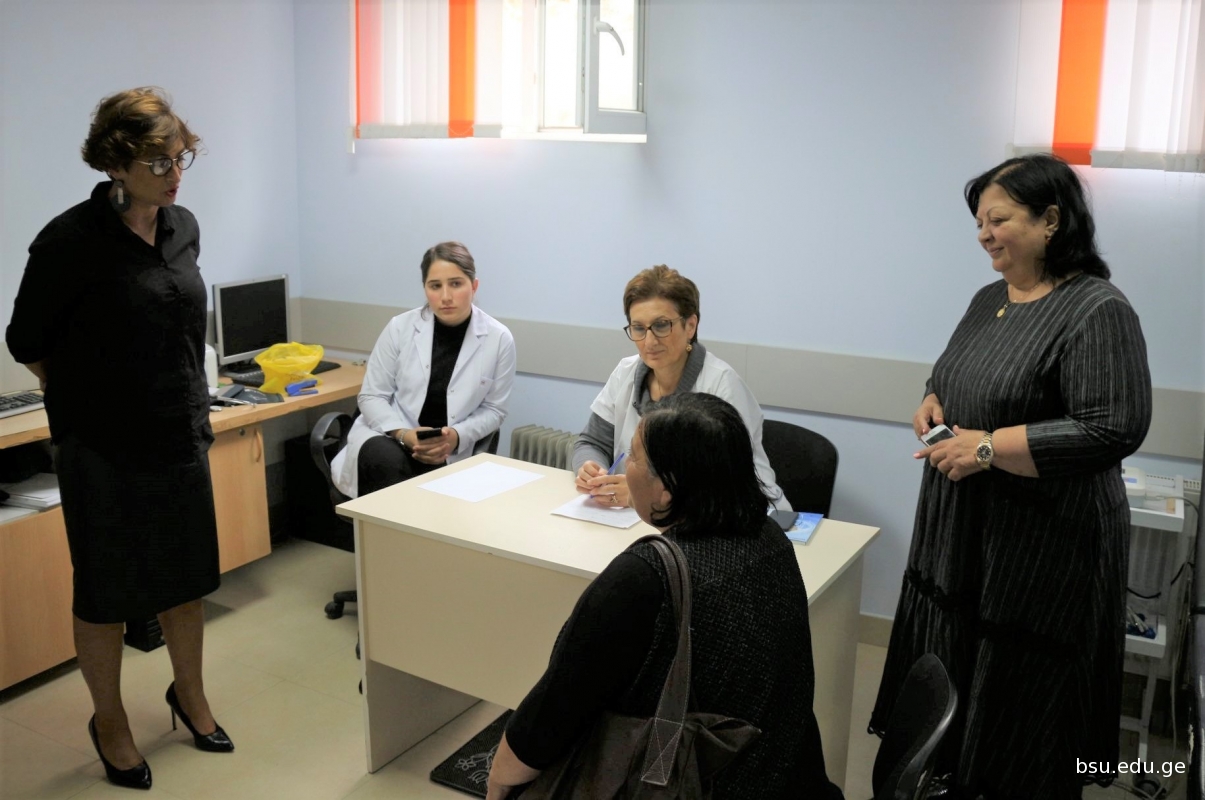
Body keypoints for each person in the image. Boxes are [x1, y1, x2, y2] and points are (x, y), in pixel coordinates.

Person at [870, 154, 1153, 798]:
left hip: (1040, 548)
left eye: (997, 220)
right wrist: (931, 400)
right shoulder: (988, 300)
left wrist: (987, 448)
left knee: (1022, 722)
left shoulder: (1097, 310)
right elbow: (958, 373)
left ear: (1050, 220)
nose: (983, 235)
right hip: (961, 534)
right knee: (954, 687)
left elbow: (1111, 428)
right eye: (978, 223)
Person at [5, 88, 234, 790]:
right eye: (159, 163)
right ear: (115, 164)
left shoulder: (182, 226)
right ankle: (109, 722)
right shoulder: (68, 241)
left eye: (181, 158)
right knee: (105, 593)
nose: (175, 174)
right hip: (101, 449)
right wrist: (85, 393)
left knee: (186, 582)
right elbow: (27, 341)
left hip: (177, 434)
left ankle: (189, 696)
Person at [487, 392, 842, 799]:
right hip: (784, 774)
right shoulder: (772, 540)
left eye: (633, 457)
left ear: (666, 491)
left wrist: (499, 781)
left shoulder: (643, 577)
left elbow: (553, 712)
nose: (624, 465)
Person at [573, 264, 788, 510]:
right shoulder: (626, 372)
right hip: (637, 519)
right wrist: (590, 470)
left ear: (690, 326)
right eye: (639, 328)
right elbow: (591, 442)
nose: (649, 341)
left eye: (661, 325)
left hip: (733, 519)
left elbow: (729, 484)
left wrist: (640, 494)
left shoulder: (721, 385)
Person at [331, 242, 516, 498]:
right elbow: (372, 396)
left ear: (474, 286)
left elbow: (495, 410)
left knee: (431, 484)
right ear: (425, 288)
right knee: (387, 462)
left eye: (456, 284)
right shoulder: (400, 328)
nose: (446, 296)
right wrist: (404, 434)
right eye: (435, 286)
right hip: (390, 436)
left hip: (448, 448)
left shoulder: (499, 339)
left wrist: (456, 436)